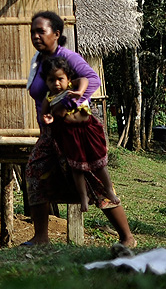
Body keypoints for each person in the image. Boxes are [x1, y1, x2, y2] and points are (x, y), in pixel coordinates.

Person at [23, 10, 135, 248]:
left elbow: (92, 80)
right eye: (33, 31)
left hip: (75, 127)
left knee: (92, 175)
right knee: (35, 172)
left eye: (41, 31)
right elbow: (41, 97)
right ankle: (41, 237)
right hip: (51, 131)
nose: (35, 36)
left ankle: (127, 237)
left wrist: (69, 104)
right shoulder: (38, 61)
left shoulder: (68, 57)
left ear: (56, 34)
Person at [40, 56, 121, 212]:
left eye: (60, 79)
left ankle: (109, 190)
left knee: (99, 164)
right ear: (46, 82)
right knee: (77, 169)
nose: (56, 84)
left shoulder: (73, 86)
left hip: (88, 129)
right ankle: (83, 196)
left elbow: (85, 79)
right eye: (51, 80)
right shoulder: (49, 99)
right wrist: (48, 118)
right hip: (70, 135)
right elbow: (45, 116)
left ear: (68, 78)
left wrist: (80, 92)